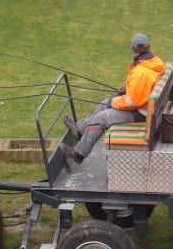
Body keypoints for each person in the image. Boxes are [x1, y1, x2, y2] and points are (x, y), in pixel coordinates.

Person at [59, 33, 166, 166]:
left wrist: (114, 102)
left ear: (132, 48)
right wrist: (126, 90)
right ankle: (79, 130)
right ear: (149, 46)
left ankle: (78, 154)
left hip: (142, 114)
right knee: (104, 104)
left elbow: (133, 102)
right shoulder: (154, 62)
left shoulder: (141, 71)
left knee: (102, 117)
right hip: (147, 108)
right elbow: (144, 88)